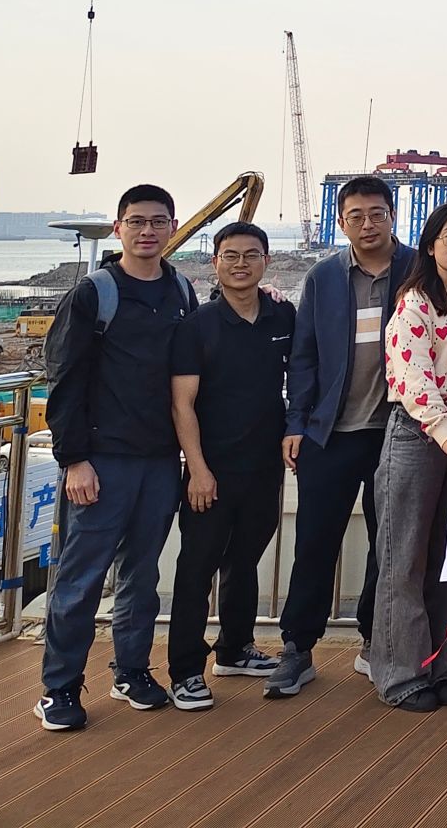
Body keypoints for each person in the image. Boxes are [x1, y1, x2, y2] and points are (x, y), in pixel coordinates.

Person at [36, 183, 199, 731]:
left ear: (172, 226)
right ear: (118, 228)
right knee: (81, 578)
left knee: (142, 576)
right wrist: (73, 459)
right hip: (102, 460)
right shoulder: (94, 293)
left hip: (160, 459)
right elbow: (64, 378)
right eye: (136, 221)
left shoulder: (180, 290)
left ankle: (131, 670)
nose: (147, 231)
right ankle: (59, 687)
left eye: (158, 221)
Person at [269, 175, 416, 698]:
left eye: (377, 214)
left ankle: (376, 642)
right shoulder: (324, 277)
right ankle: (297, 648)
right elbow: (303, 355)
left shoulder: (417, 269)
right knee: (314, 543)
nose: (368, 224)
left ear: (393, 216)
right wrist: (297, 423)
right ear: (341, 221)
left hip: (397, 434)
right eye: (356, 216)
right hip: (329, 434)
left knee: (389, 546)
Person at [166, 223, 295, 712]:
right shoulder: (197, 326)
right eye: (231, 255)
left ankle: (235, 648)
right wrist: (198, 469)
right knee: (196, 568)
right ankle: (185, 671)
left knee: (245, 561)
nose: (241, 264)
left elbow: (303, 375)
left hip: (264, 467)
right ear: (215, 262)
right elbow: (182, 404)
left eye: (251, 255)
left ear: (266, 261)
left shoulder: (283, 315)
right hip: (212, 469)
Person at [369, 202, 447, 711]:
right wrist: (442, 428)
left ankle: (438, 663)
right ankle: (400, 676)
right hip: (419, 434)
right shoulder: (414, 303)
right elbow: (411, 374)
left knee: (444, 558)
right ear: (430, 245)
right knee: (404, 559)